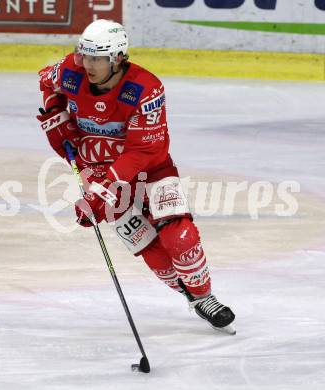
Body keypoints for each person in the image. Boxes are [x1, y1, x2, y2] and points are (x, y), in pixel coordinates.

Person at [37, 19, 235, 334]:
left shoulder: (146, 89)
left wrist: (99, 194)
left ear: (117, 58)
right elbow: (46, 82)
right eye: (85, 55)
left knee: (179, 237)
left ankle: (204, 295)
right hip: (98, 171)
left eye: (97, 58)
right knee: (150, 249)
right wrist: (54, 113)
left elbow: (143, 151)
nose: (88, 64)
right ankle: (190, 297)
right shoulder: (70, 71)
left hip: (151, 172)